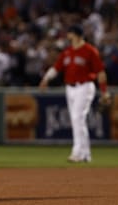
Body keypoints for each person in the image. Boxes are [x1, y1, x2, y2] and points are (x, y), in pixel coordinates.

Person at [39, 24, 110, 163]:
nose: (68, 35)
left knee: (77, 117)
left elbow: (100, 73)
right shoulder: (67, 52)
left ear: (76, 34)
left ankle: (77, 152)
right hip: (70, 88)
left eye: (70, 33)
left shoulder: (90, 51)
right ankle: (86, 153)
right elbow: (56, 67)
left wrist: (104, 92)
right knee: (78, 121)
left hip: (85, 87)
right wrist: (46, 79)